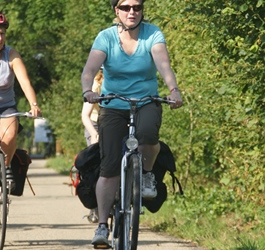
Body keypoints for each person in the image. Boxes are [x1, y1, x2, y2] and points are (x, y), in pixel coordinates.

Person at [81, 0, 182, 245]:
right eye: (125, 7)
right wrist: (88, 90)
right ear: (116, 10)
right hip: (113, 105)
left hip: (146, 101)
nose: (131, 12)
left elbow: (163, 64)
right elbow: (89, 70)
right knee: (109, 166)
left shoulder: (153, 33)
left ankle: (146, 174)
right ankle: (103, 226)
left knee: (148, 134)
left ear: (142, 10)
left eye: (136, 7)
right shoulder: (105, 37)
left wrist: (173, 89)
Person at [0, 12, 42, 192]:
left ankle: (4, 167)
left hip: (6, 107)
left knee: (10, 134)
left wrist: (34, 105)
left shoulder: (11, 54)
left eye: (2, 34)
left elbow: (25, 82)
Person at [81, 67, 103, 223]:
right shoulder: (96, 85)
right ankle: (94, 206)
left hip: (117, 123)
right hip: (95, 124)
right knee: (96, 159)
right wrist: (94, 135)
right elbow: (85, 116)